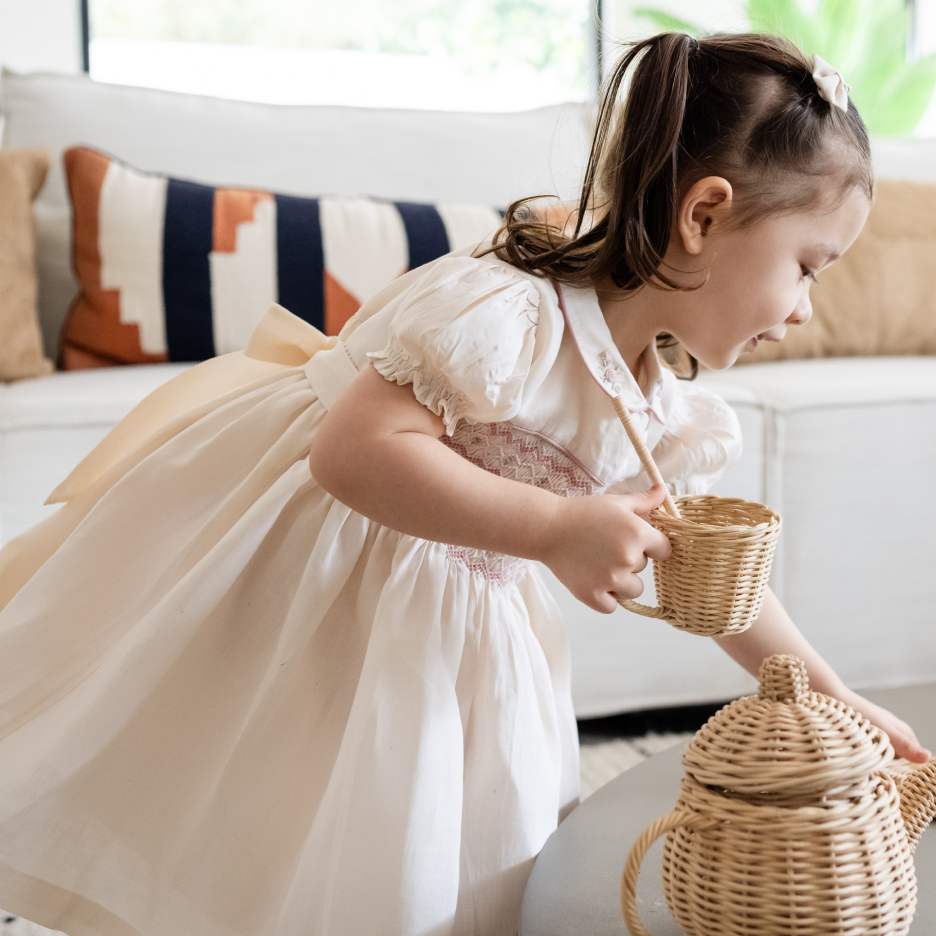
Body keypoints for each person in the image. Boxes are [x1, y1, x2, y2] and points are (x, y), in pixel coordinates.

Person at [0, 30, 928, 936]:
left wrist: (832, 696)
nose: (806, 309)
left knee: (452, 845)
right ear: (704, 214)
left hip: (462, 630)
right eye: (806, 267)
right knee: (277, 816)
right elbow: (352, 454)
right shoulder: (508, 312)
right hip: (332, 581)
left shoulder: (666, 408)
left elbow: (723, 585)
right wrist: (557, 529)